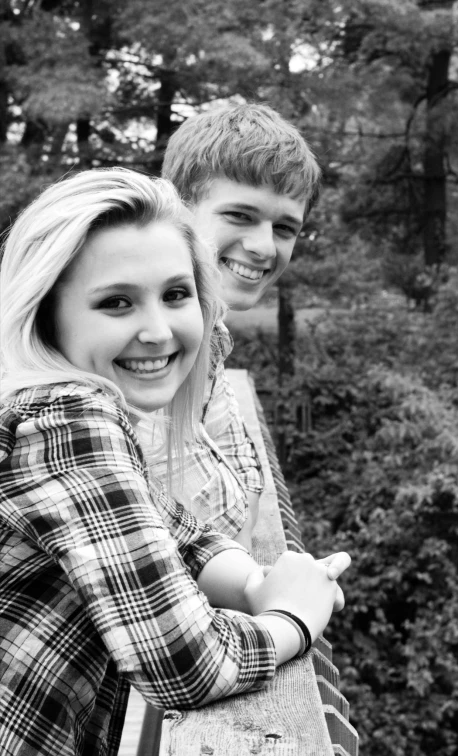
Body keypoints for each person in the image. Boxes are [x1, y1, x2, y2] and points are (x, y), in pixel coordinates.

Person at [0, 168, 349, 756]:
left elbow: (161, 526)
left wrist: (253, 579)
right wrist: (294, 616)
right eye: (116, 303)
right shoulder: (68, 418)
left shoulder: (56, 409)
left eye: (175, 294)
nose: (158, 331)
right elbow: (184, 664)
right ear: (45, 313)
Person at [161, 102, 322, 547]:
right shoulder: (144, 347)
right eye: (240, 216)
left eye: (286, 228)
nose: (265, 248)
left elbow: (239, 462)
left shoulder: (210, 333)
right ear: (178, 209)